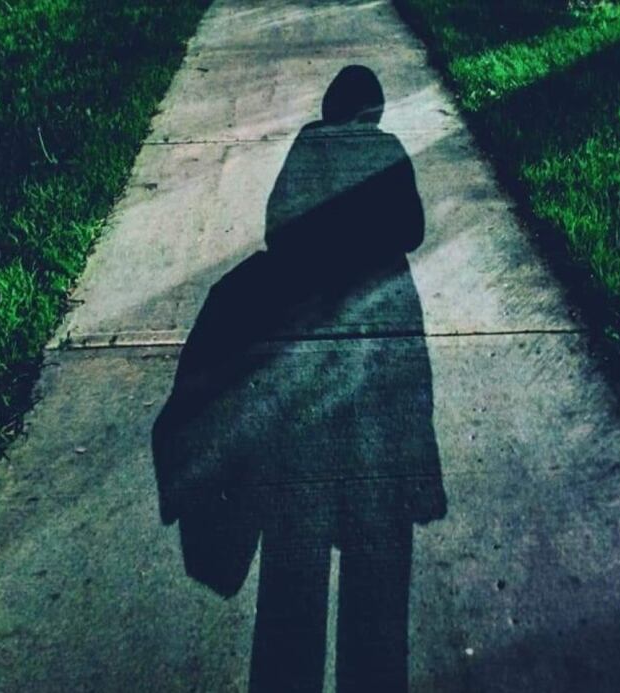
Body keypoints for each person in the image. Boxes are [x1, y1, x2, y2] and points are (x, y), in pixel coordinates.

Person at [153, 65, 446, 693]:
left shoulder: (304, 152)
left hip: (297, 434)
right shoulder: (389, 163)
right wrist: (422, 470)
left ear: (329, 107)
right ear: (375, 112)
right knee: (378, 577)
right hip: (376, 440)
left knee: (292, 581)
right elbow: (413, 233)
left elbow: (277, 226)